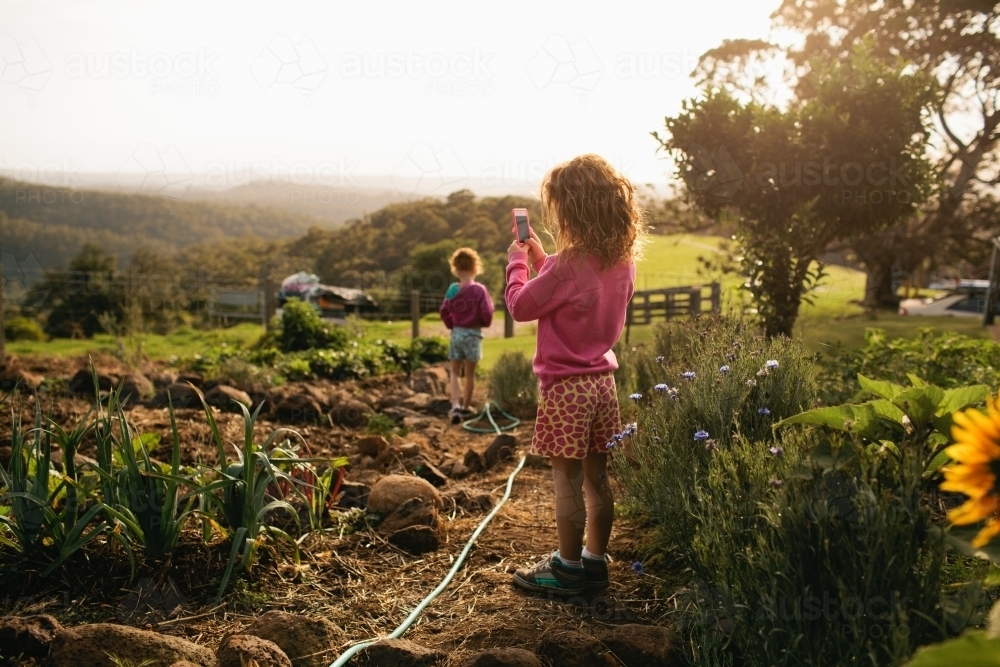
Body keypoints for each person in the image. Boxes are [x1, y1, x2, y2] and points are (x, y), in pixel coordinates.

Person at [505, 154, 642, 595]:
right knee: (597, 478)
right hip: (603, 384)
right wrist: (544, 257)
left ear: (572, 211)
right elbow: (577, 289)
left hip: (565, 388)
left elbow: (522, 305)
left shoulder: (567, 267)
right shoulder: (621, 262)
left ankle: (565, 568)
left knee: (565, 479)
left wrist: (517, 264)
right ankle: (594, 562)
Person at [439, 247, 494, 424]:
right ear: (475, 267)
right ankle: (465, 408)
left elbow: (444, 311)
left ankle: (454, 405)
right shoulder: (479, 290)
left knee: (454, 372)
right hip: (473, 334)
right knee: (470, 374)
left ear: (454, 268)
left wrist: (452, 325)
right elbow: (487, 312)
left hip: (457, 334)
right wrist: (481, 323)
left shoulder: (453, 289)